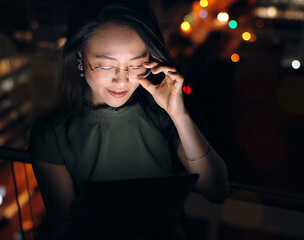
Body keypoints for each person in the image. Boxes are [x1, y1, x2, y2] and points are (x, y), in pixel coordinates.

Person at [28, 0, 229, 239]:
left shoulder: (163, 116)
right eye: (105, 66)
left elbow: (216, 190)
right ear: (80, 56)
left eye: (135, 65)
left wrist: (177, 113)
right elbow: (61, 226)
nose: (121, 81)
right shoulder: (52, 134)